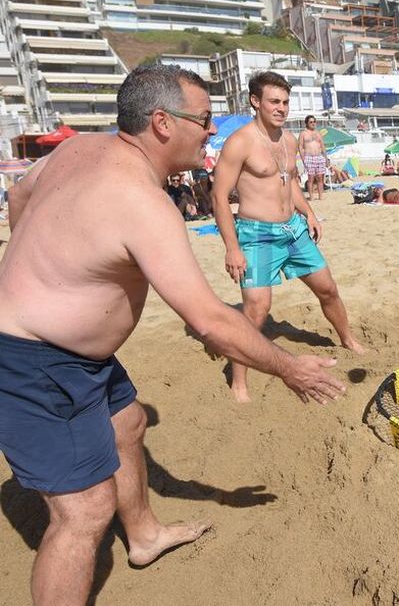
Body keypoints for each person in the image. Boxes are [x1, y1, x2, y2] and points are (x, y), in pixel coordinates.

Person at [0, 65, 346, 605]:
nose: (211, 131)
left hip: (73, 352)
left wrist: (39, 270)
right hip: (33, 358)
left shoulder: (79, 149)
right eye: (204, 120)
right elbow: (207, 319)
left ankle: (143, 535)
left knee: (129, 421)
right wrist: (288, 366)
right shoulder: (142, 200)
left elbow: (20, 198)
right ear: (162, 123)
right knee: (83, 514)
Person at [212, 71, 366, 403]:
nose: (281, 108)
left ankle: (347, 338)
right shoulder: (240, 142)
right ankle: (239, 380)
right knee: (257, 308)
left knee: (328, 288)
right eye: (274, 101)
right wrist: (232, 248)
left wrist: (308, 212)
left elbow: (290, 181)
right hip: (257, 235)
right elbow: (218, 197)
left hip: (292, 229)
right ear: (256, 101)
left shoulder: (289, 140)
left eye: (285, 102)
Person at [297, 115, 328, 201]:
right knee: (311, 178)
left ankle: (321, 196)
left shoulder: (318, 133)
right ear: (306, 123)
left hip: (319, 156)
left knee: (320, 178)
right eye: (311, 122)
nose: (313, 123)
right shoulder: (303, 133)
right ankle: (311, 196)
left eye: (314, 122)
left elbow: (322, 146)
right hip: (309, 157)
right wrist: (303, 159)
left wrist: (325, 158)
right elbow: (300, 147)